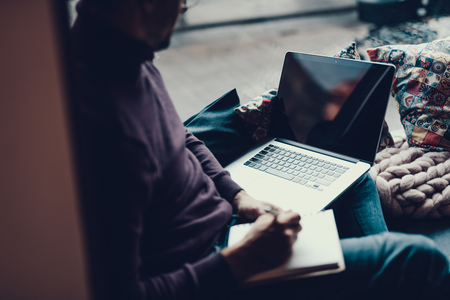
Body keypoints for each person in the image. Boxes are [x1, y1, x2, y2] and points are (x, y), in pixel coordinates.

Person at [69, 0, 450, 299]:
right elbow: (123, 293)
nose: (183, 7)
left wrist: (240, 197)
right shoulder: (99, 121)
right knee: (419, 259)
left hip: (227, 223)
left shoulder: (128, 57)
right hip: (216, 266)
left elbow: (182, 138)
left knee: (354, 176)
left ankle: (368, 278)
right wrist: (242, 260)